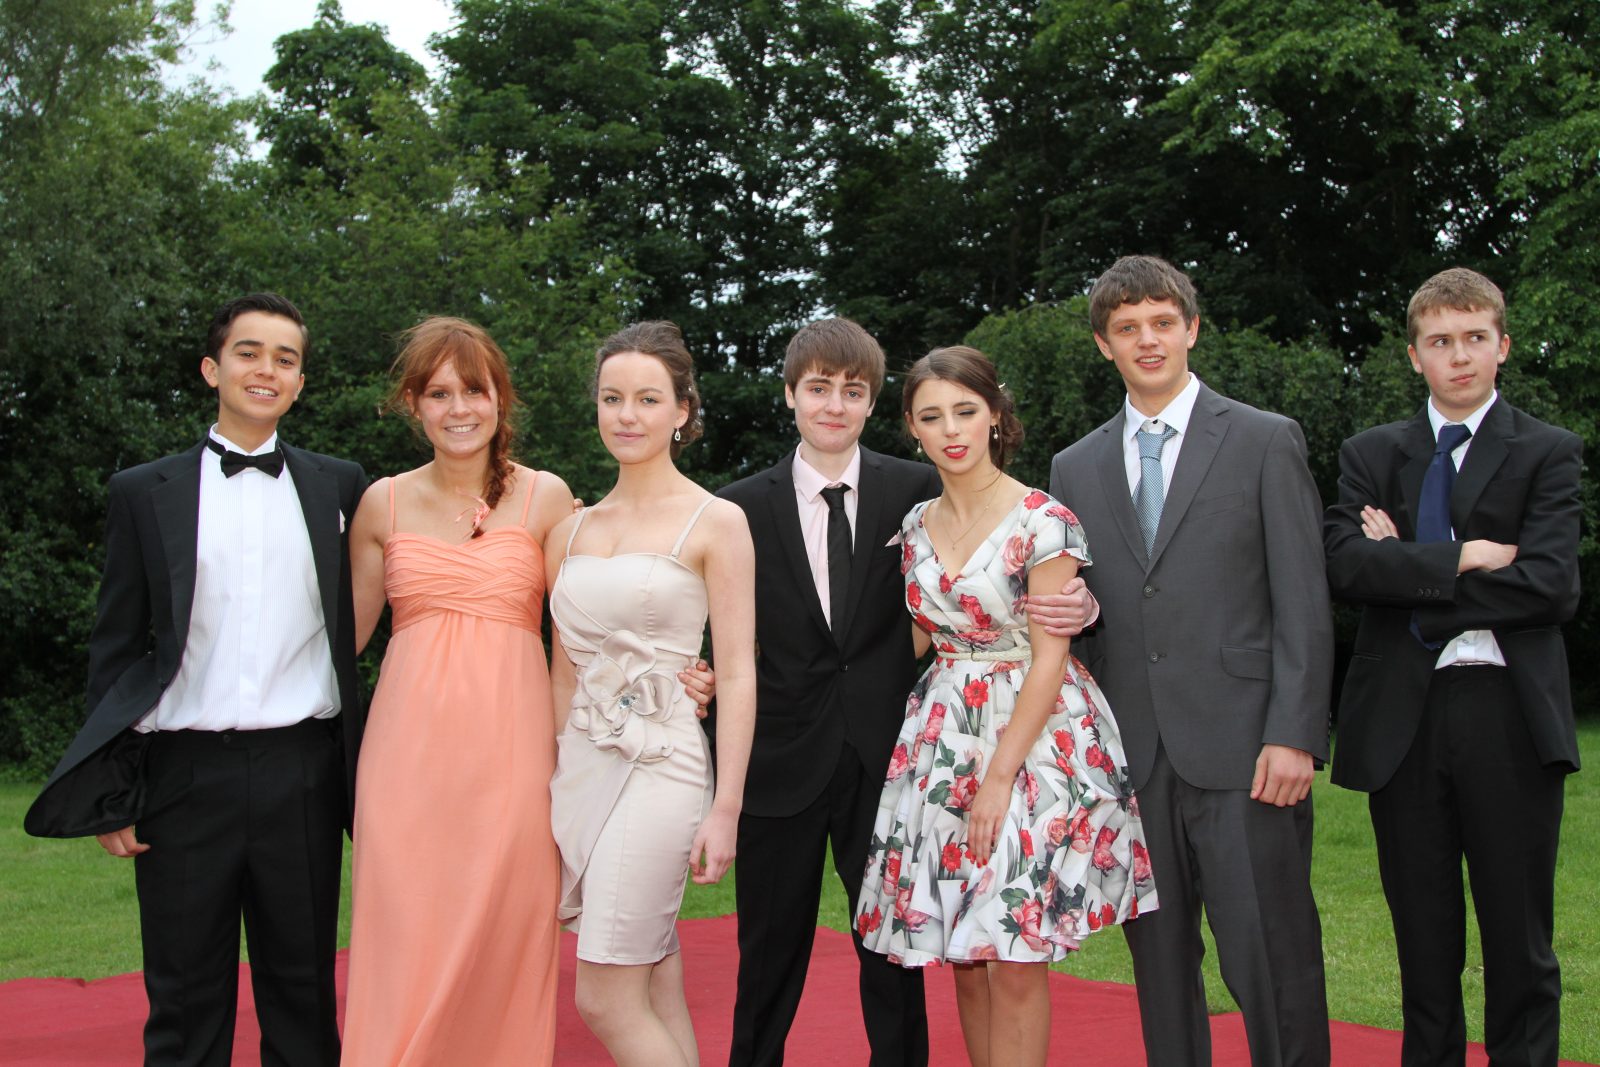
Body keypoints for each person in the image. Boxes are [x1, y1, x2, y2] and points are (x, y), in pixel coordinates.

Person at [718, 318, 1096, 1067]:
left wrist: (1083, 606)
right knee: (766, 958)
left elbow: (996, 580)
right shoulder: (736, 509)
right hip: (787, 757)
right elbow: (720, 630)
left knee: (899, 953)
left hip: (893, 753)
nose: (834, 405)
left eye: (852, 391)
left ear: (872, 403)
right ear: (790, 394)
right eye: (818, 388)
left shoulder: (917, 488)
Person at [24, 293, 366, 1067]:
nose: (266, 369)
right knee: (183, 1002)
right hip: (180, 777)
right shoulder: (142, 491)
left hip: (302, 773)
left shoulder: (341, 487)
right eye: (249, 352)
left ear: (300, 383)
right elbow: (116, 646)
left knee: (304, 997)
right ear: (213, 369)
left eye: (285, 358)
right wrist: (114, 788)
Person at [1047, 255, 1334, 1066]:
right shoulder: (1074, 466)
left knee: (1270, 956)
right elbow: (1089, 610)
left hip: (1247, 749)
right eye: (1128, 327)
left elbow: (1303, 599)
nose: (1148, 339)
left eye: (1163, 323)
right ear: (1104, 343)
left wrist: (1295, 732)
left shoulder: (1264, 439)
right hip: (1133, 757)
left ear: (1192, 329)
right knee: (1161, 969)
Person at [854, 345, 1156, 1067]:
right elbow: (920, 638)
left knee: (1015, 949)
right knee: (965, 953)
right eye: (932, 416)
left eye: (965, 410)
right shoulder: (915, 526)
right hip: (942, 743)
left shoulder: (1043, 520)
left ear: (994, 414)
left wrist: (997, 778)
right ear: (912, 428)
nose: (951, 429)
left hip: (1036, 741)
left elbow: (1051, 658)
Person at [1324, 268, 1581, 1066]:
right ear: (1414, 355)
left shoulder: (1548, 451)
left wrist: (1410, 571)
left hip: (1509, 713)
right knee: (1423, 942)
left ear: (1503, 346)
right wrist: (1465, 557)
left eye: (1475, 338)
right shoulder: (1372, 454)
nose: (1459, 355)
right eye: (1440, 341)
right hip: (1403, 720)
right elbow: (1346, 566)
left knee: (1519, 937)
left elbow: (1550, 586)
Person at [339, 317, 574, 1065]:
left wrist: (666, 677)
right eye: (439, 393)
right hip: (403, 764)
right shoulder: (381, 504)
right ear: (413, 404)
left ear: (500, 398)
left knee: (506, 933)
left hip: (514, 759)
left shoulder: (546, 498)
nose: (459, 408)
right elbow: (339, 643)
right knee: (403, 936)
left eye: (474, 390)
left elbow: (580, 639)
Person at [546, 320, 757, 1067]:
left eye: (646, 398)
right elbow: (563, 673)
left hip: (663, 765)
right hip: (584, 765)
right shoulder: (568, 530)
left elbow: (737, 671)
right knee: (656, 976)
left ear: (681, 411)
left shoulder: (716, 521)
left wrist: (726, 807)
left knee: (603, 997)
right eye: (612, 398)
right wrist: (556, 779)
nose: (626, 415)